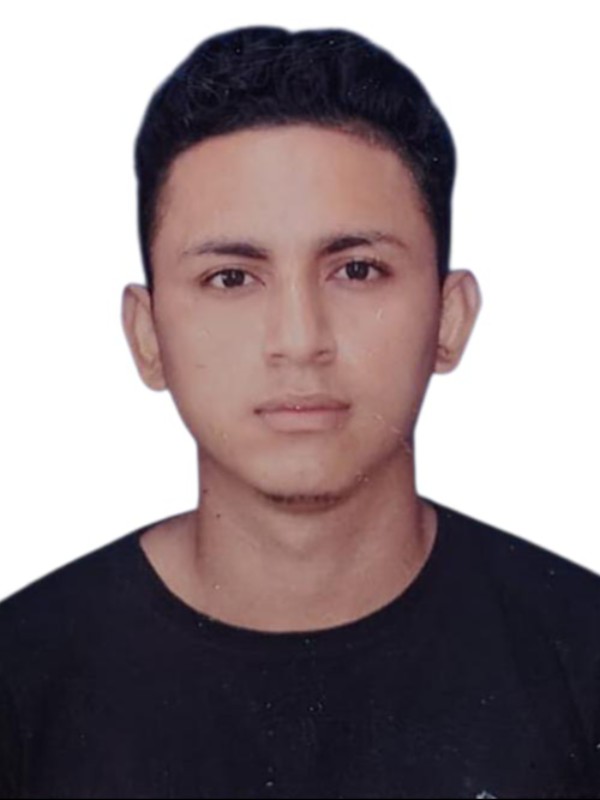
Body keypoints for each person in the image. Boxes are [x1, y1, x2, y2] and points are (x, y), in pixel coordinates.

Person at [0, 24, 598, 800]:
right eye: (231, 279)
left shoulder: (582, 658)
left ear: (449, 318)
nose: (299, 340)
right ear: (147, 337)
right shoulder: (21, 683)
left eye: (357, 270)